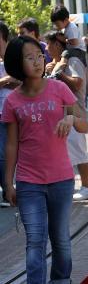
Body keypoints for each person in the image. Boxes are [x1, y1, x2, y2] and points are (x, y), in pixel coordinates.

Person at [2, 35, 88, 284]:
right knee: (35, 239)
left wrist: (70, 118)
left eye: (39, 56)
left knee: (60, 238)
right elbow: (11, 145)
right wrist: (9, 183)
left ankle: (61, 280)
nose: (38, 62)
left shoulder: (59, 89)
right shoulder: (12, 101)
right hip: (29, 182)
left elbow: (82, 123)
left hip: (61, 179)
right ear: (17, 64)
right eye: (29, 58)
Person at [44, 31, 88, 201]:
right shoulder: (56, 62)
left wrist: (59, 74)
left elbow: (77, 82)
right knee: (69, 153)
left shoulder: (72, 60)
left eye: (49, 44)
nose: (46, 48)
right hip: (61, 112)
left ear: (57, 45)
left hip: (74, 111)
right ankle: (73, 186)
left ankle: (87, 187)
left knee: (79, 151)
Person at [0, 22, 19, 207]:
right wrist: (6, 81)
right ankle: (7, 190)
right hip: (2, 114)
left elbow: (25, 81)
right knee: (3, 153)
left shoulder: (15, 58)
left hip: (18, 114)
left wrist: (7, 81)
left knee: (9, 153)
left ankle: (10, 190)